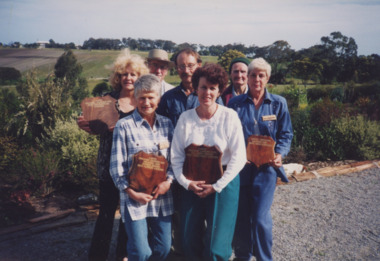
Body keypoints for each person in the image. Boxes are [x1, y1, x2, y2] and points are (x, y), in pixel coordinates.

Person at [77, 49, 149, 261]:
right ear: (117, 77)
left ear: (139, 77)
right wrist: (84, 124)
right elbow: (90, 124)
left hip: (134, 166)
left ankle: (123, 255)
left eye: (133, 74)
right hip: (109, 163)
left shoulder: (143, 100)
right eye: (124, 74)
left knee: (129, 215)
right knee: (106, 214)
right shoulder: (106, 100)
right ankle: (97, 256)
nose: (128, 78)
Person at [171, 63, 247, 261]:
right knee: (189, 241)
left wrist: (217, 186)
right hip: (192, 183)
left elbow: (239, 157)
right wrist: (186, 183)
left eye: (213, 88)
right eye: (203, 87)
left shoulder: (229, 117)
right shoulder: (185, 119)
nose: (207, 92)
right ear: (196, 88)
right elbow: (176, 156)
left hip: (223, 183)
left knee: (216, 246)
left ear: (220, 90)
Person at [228, 58, 293, 261]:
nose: (257, 79)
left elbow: (286, 134)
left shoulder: (278, 103)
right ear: (247, 77)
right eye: (253, 75)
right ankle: (243, 256)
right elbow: (229, 135)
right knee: (241, 218)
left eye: (261, 75)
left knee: (260, 218)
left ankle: (265, 258)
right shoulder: (234, 104)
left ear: (268, 78)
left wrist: (280, 154)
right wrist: (237, 154)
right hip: (242, 169)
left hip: (266, 170)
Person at [109, 74, 174, 261]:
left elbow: (174, 160)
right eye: (142, 98)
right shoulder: (124, 126)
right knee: (141, 252)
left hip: (162, 198)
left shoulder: (167, 125)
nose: (146, 102)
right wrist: (131, 192)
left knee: (163, 248)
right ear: (135, 99)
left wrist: (168, 182)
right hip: (134, 199)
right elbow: (116, 168)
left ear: (159, 99)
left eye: (151, 97)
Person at [157, 47, 223, 127]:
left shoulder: (211, 95)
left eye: (190, 66)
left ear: (199, 65)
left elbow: (220, 123)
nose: (186, 70)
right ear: (177, 68)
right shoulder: (168, 98)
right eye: (182, 66)